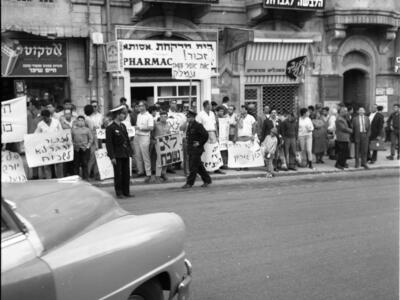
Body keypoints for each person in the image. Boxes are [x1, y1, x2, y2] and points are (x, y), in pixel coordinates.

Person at [106, 106, 134, 198]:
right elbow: (109, 144)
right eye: (122, 114)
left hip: (125, 153)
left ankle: (126, 192)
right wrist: (112, 156)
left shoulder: (123, 126)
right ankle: (119, 192)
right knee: (118, 174)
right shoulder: (110, 127)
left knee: (126, 174)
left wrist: (130, 152)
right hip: (117, 154)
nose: (124, 115)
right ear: (117, 115)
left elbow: (127, 140)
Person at [182, 110, 212, 188]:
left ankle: (189, 183)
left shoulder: (198, 125)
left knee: (193, 167)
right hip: (191, 149)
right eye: (187, 117)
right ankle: (207, 180)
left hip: (196, 149)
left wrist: (199, 143)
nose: (187, 119)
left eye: (189, 117)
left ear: (193, 117)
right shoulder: (189, 125)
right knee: (199, 167)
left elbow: (205, 135)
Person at [35, 109, 63, 179]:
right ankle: (49, 179)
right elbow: (35, 134)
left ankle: (60, 178)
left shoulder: (56, 122)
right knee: (47, 164)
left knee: (58, 163)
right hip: (46, 147)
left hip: (56, 146)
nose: (44, 119)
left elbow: (61, 132)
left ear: (49, 116)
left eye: (45, 118)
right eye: (43, 118)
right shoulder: (40, 124)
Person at [134, 101, 154, 183]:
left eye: (141, 106)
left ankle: (148, 173)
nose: (139, 107)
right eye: (139, 105)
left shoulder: (149, 116)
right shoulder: (138, 115)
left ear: (145, 106)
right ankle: (140, 171)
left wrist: (140, 128)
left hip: (144, 136)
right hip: (137, 136)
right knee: (137, 155)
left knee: (145, 155)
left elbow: (151, 128)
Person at [152, 110, 171, 183]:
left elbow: (169, 134)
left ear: (167, 117)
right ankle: (157, 176)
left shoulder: (168, 125)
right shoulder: (156, 124)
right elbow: (151, 133)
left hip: (166, 144)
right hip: (158, 144)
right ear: (159, 117)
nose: (163, 118)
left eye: (165, 116)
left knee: (166, 159)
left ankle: (163, 173)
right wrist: (152, 140)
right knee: (159, 161)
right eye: (162, 116)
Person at [72, 115, 93, 179]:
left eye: (82, 120)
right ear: (77, 121)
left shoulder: (87, 130)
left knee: (85, 164)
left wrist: (88, 146)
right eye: (79, 120)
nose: (80, 122)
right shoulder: (73, 130)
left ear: (84, 122)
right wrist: (73, 145)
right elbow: (71, 138)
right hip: (76, 149)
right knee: (76, 164)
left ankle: (86, 178)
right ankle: (76, 178)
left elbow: (91, 138)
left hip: (84, 149)